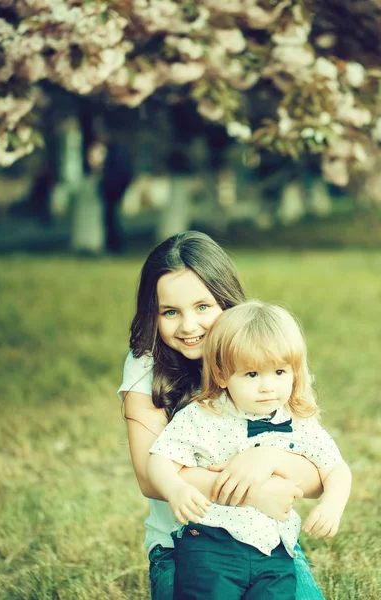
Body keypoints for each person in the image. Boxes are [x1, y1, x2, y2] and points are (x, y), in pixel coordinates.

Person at [118, 231, 328, 600]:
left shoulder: (264, 361)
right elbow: (151, 479)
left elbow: (317, 476)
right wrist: (255, 492)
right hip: (185, 543)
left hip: (265, 544)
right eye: (170, 312)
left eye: (203, 307)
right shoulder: (145, 366)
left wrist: (270, 456)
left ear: (227, 302)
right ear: (154, 315)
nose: (188, 326)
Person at [148, 300, 352, 599]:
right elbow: (160, 459)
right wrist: (174, 489)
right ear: (221, 375)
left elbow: (336, 468)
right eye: (252, 375)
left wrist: (332, 505)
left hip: (275, 550)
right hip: (210, 544)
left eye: (280, 372)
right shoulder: (203, 416)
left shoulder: (298, 422)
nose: (268, 386)